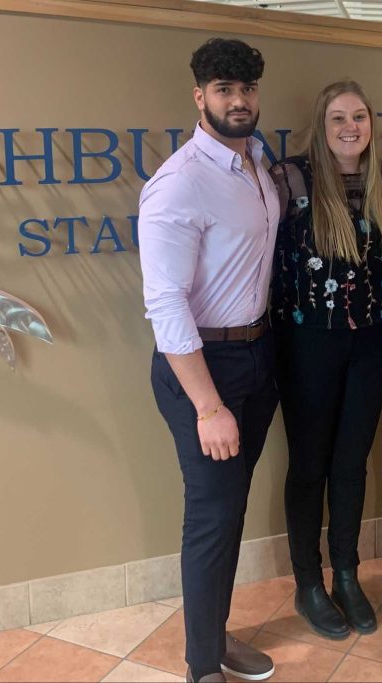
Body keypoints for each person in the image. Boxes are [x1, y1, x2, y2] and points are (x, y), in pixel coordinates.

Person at [138, 38, 280, 683]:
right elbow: (165, 304)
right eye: (224, 89)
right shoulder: (178, 184)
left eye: (247, 89)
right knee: (212, 517)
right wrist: (208, 405)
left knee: (229, 512)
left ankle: (215, 639)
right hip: (204, 371)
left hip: (255, 354)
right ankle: (202, 668)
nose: (238, 100)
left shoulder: (257, 165)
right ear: (199, 96)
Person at [269, 80, 382, 640]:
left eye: (359, 116)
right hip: (308, 342)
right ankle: (309, 583)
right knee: (309, 465)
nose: (350, 127)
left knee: (352, 463)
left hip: (371, 342)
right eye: (337, 119)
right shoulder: (290, 179)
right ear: (320, 125)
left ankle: (347, 574)